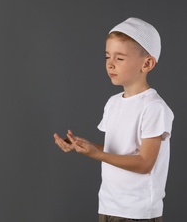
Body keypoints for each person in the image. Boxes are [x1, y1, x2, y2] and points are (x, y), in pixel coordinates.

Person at [54, 17, 174, 222]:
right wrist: (85, 146)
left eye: (120, 58)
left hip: (137, 212)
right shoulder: (113, 103)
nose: (110, 64)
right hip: (109, 205)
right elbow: (117, 149)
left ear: (147, 63)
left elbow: (145, 163)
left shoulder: (154, 107)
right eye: (107, 56)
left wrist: (96, 155)